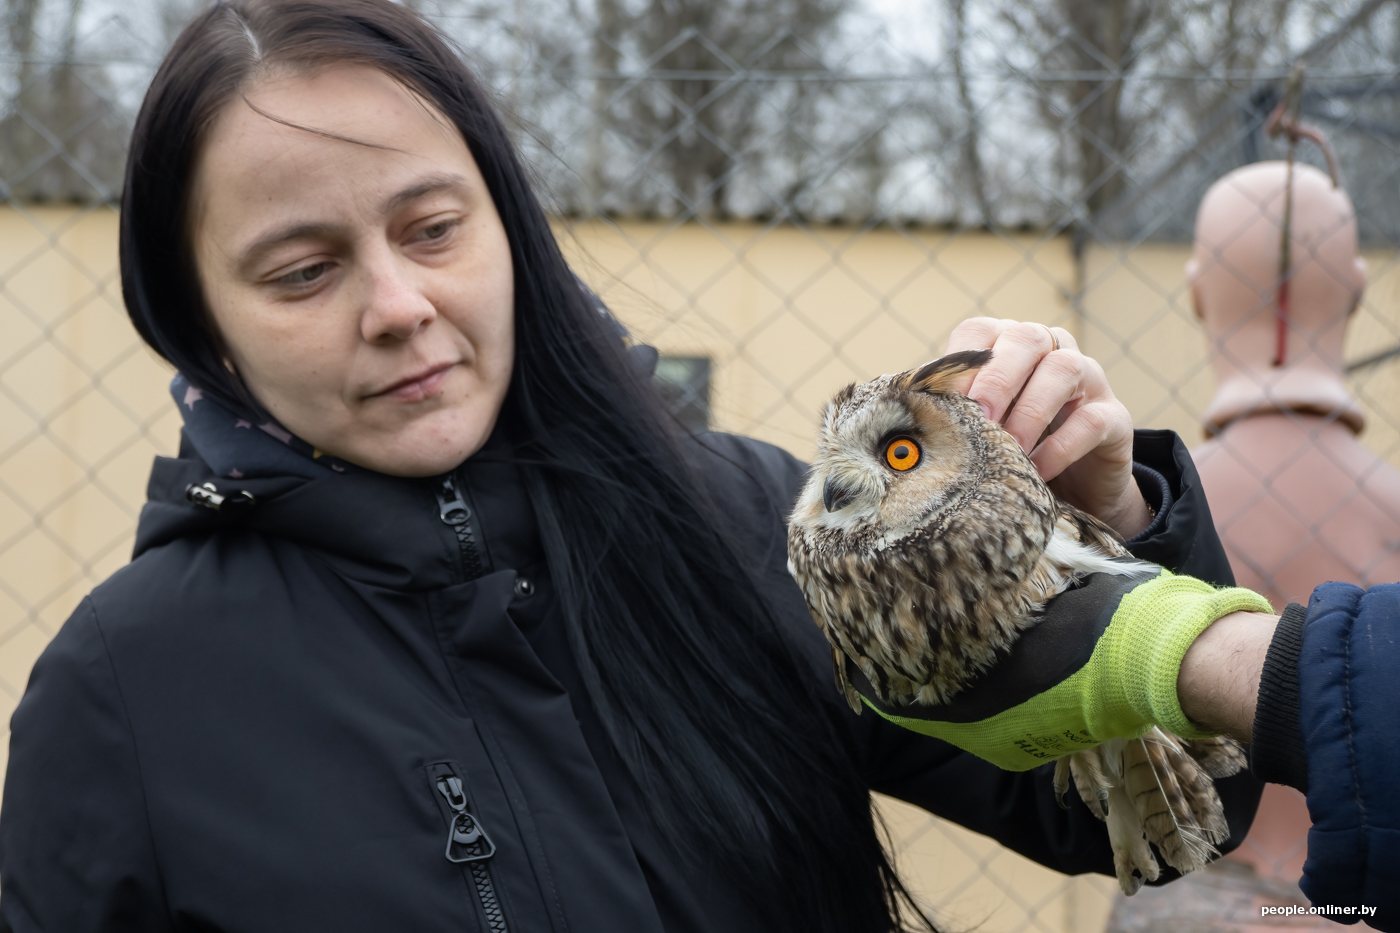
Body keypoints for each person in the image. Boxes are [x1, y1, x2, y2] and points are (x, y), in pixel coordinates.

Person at [0, 0, 1319, 929]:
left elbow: (1152, 816)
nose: (397, 302)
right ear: (202, 329)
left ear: (508, 225)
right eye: (303, 270)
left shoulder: (751, 522)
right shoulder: (128, 696)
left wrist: (1116, 522)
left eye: (433, 226)